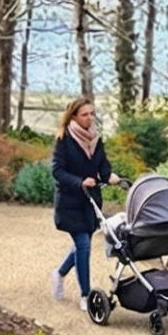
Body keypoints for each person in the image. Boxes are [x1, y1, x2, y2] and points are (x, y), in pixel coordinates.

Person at [49, 98, 115, 303]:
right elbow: (57, 170)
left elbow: (102, 165)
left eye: (92, 113)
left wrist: (110, 176)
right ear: (74, 117)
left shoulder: (96, 139)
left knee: (81, 245)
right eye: (85, 114)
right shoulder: (64, 139)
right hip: (70, 202)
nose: (89, 118)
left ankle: (59, 273)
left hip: (90, 202)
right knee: (84, 245)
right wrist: (79, 182)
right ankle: (86, 295)